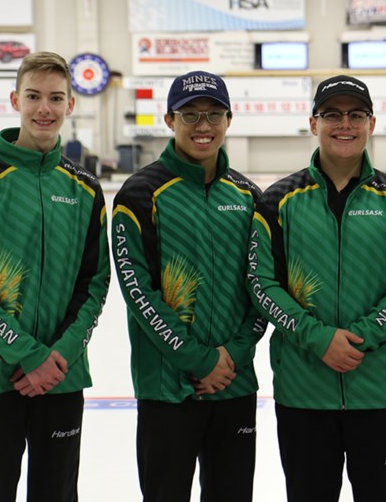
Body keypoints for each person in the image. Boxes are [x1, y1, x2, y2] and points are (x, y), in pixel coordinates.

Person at [247, 74, 386, 502]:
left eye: (355, 114)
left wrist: (360, 338)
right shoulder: (278, 200)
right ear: (313, 123)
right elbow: (260, 282)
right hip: (303, 393)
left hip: (381, 391)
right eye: (331, 114)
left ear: (372, 122)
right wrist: (318, 339)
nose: (343, 124)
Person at [0, 51, 111, 502]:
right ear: (16, 99)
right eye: (34, 96)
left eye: (56, 98)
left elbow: (95, 283)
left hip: (62, 374)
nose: (45, 108)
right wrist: (27, 354)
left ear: (70, 105)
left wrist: (56, 357)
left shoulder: (85, 188)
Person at [111, 71, 266, 501]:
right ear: (169, 120)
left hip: (234, 383)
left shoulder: (249, 195)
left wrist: (232, 354)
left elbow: (263, 287)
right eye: (191, 114)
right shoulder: (140, 193)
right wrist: (197, 360)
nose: (203, 125)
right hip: (167, 387)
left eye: (214, 114)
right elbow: (137, 291)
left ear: (229, 119)